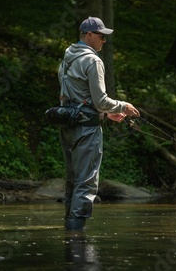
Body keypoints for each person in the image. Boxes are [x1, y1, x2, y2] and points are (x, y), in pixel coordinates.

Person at [58, 16, 140, 231]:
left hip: (68, 125)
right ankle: (76, 235)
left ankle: (70, 231)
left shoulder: (66, 59)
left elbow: (74, 97)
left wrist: (104, 115)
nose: (104, 41)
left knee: (72, 179)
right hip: (86, 130)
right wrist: (123, 107)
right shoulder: (93, 61)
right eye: (101, 36)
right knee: (86, 181)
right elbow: (100, 100)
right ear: (89, 35)